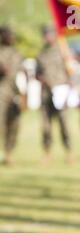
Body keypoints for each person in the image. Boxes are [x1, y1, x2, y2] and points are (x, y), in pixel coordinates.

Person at [36, 26, 73, 163]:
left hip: (61, 93)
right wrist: (42, 79)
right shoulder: (41, 54)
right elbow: (37, 73)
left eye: (50, 34)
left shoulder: (63, 51)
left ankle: (69, 152)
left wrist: (69, 92)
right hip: (46, 94)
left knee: (64, 124)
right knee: (46, 126)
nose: (48, 37)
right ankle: (47, 153)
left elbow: (70, 73)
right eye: (46, 34)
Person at [0, 26, 24, 165]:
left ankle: (9, 153)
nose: (11, 37)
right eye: (8, 35)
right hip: (1, 93)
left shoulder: (17, 53)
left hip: (15, 93)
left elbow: (22, 72)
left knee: (14, 124)